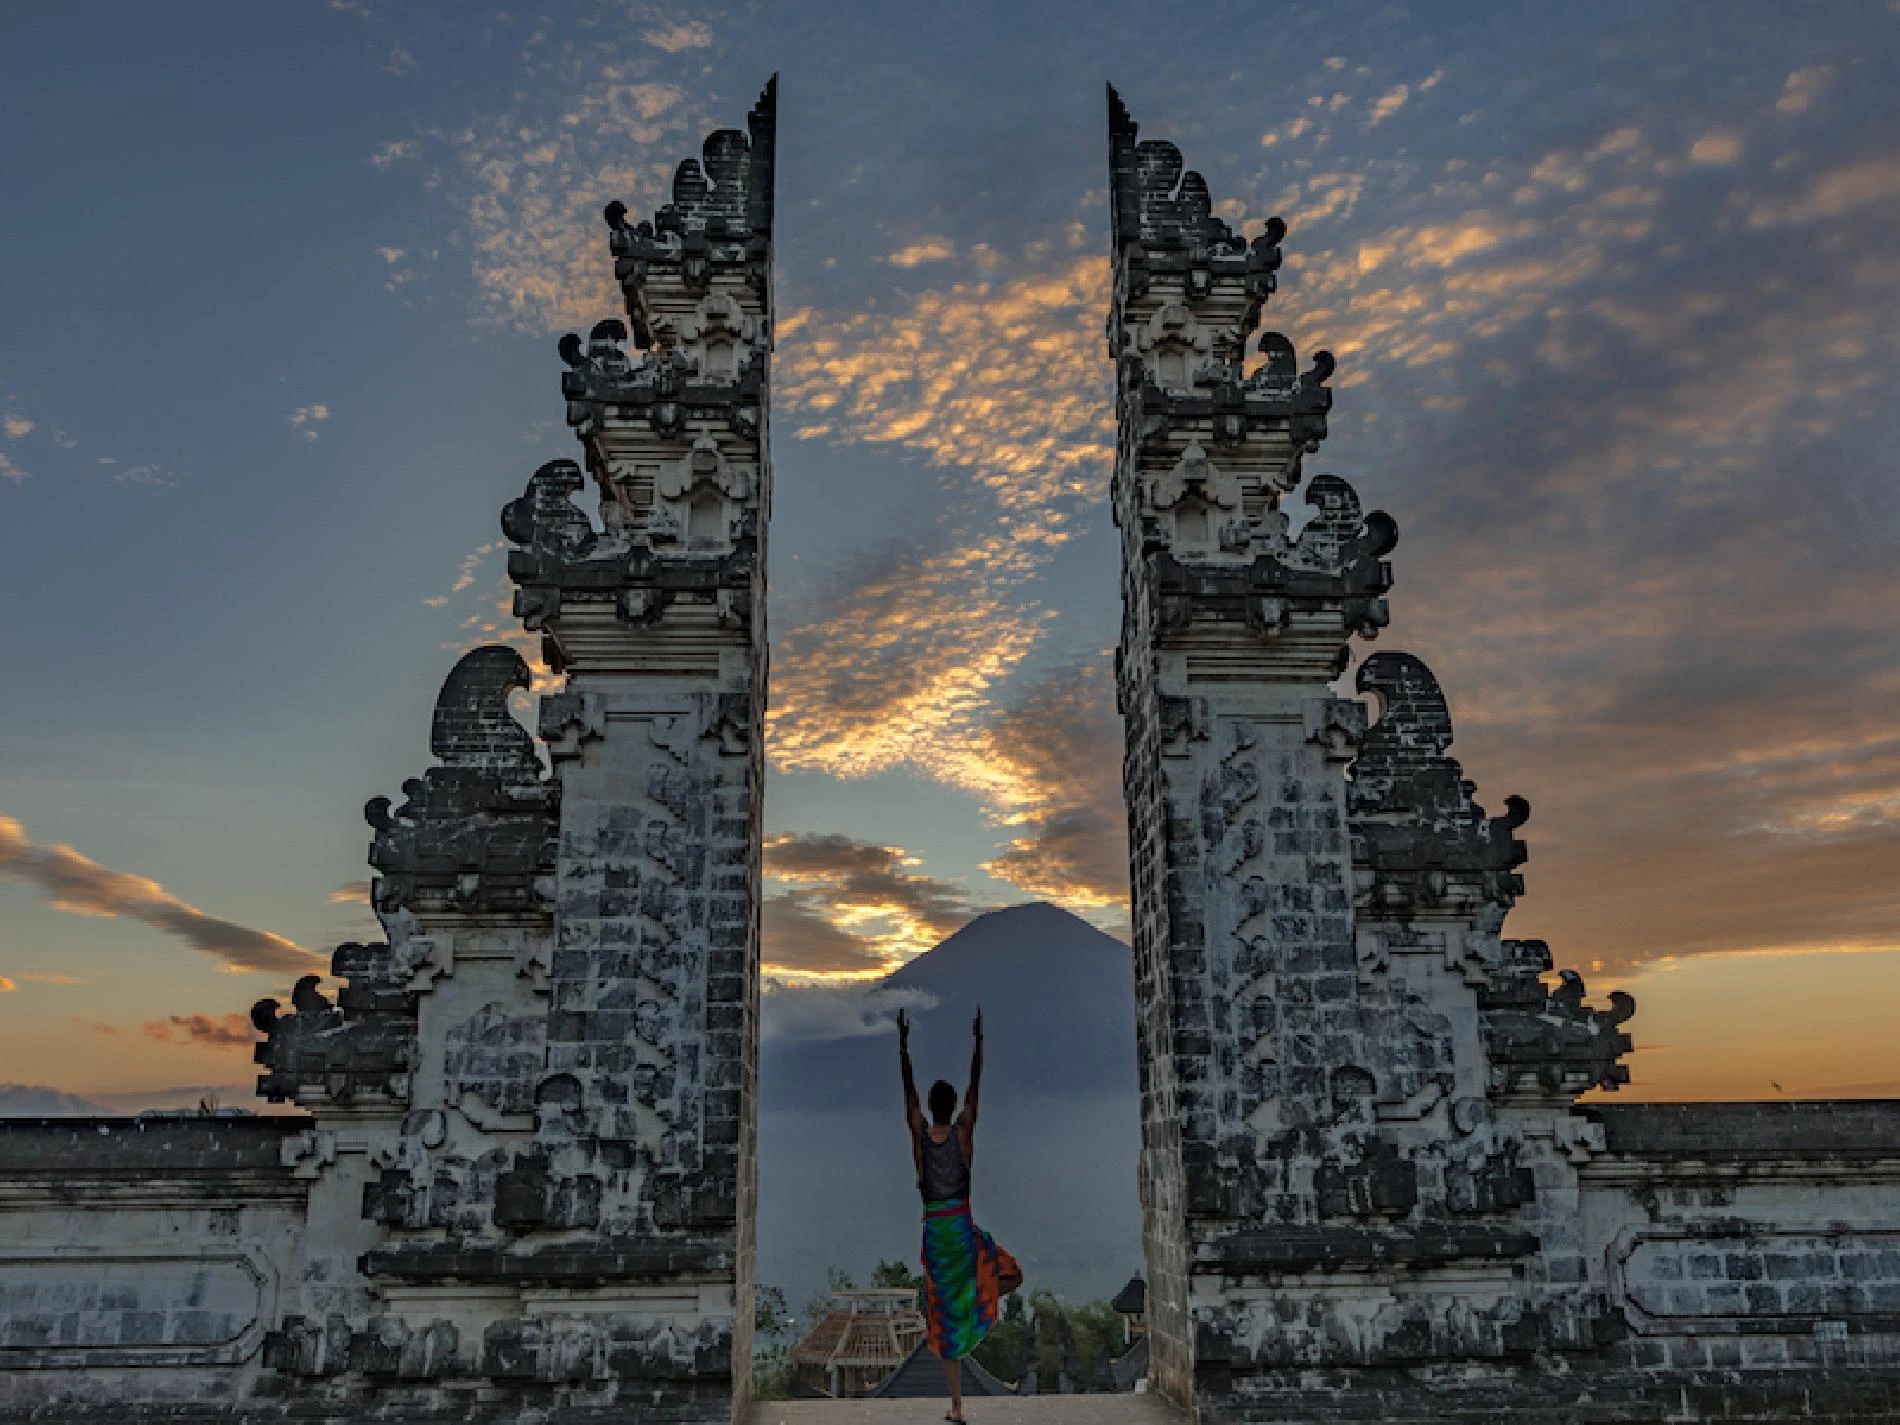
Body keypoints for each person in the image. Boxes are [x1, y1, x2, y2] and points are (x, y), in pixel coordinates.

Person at [899, 1005, 1022, 1423]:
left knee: (943, 1323)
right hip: (962, 1232)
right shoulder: (963, 1136)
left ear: (929, 1108)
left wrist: (903, 1049)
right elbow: (975, 1090)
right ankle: (979, 1303)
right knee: (1011, 1273)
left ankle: (956, 1405)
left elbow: (908, 1097)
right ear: (953, 1108)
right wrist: (978, 1043)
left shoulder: (920, 1140)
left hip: (936, 1239)